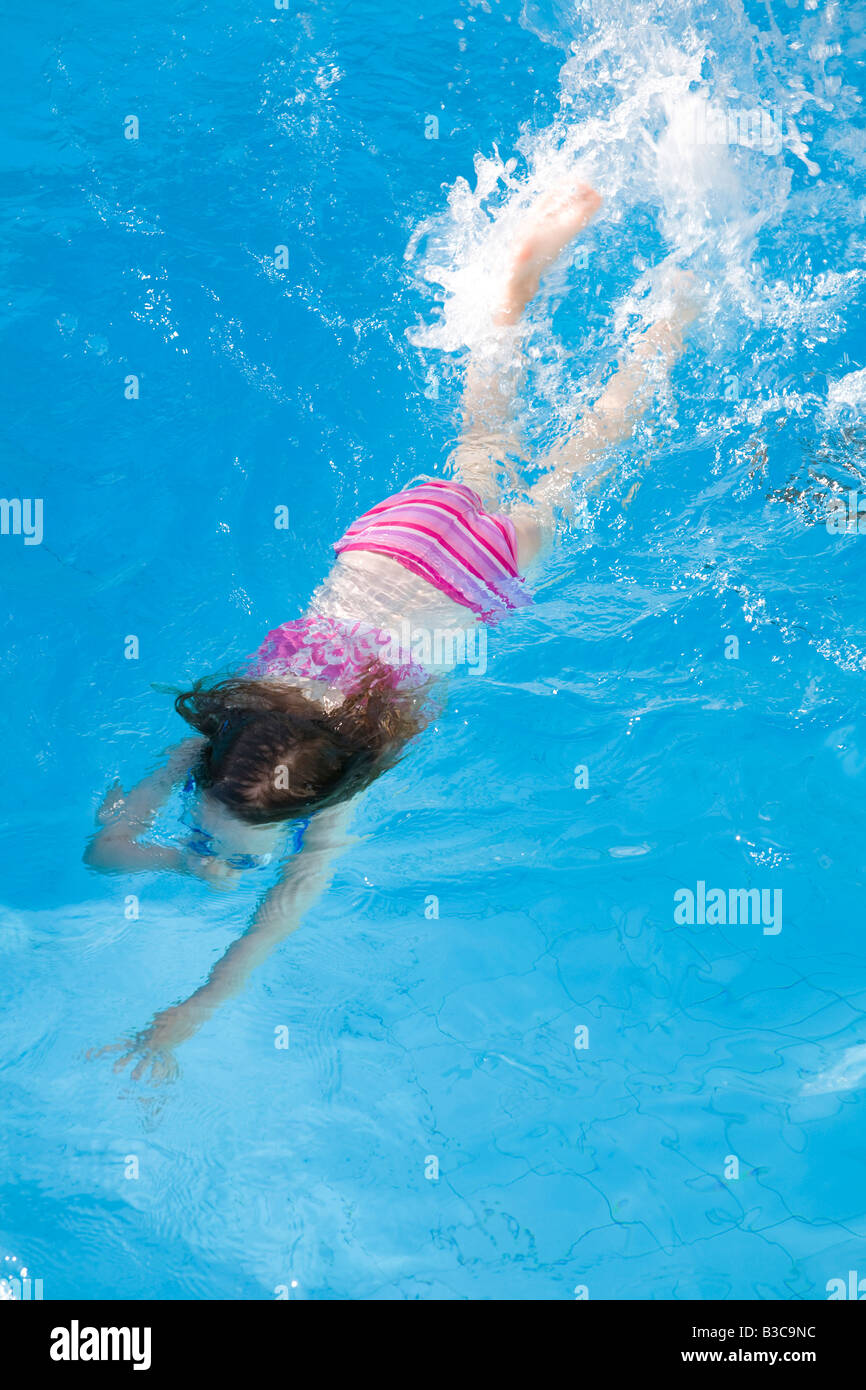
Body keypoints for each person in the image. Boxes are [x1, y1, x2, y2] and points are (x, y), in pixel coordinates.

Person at [86, 180, 699, 1082]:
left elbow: (261, 905)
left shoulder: (338, 787)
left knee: (571, 473)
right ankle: (513, 299)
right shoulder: (230, 733)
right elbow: (106, 847)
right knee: (479, 448)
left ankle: (671, 324)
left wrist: (195, 958)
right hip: (389, 542)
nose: (216, 840)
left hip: (474, 579)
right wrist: (186, 856)